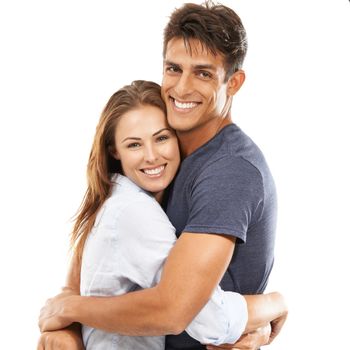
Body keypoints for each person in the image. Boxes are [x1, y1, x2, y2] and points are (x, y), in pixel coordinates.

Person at [38, 2, 287, 349]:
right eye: (173, 69)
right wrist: (62, 329)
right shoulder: (163, 153)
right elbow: (96, 245)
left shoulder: (229, 171)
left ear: (233, 83)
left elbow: (175, 309)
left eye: (203, 73)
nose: (182, 88)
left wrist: (74, 309)